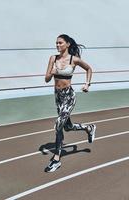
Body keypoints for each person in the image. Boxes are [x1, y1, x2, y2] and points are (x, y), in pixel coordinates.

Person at [44, 34, 96, 173]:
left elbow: (89, 69)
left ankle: (56, 159)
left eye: (60, 43)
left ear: (67, 44)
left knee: (58, 125)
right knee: (67, 127)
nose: (57, 45)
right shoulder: (53, 58)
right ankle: (88, 128)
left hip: (69, 96)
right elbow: (47, 79)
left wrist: (87, 84)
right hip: (58, 96)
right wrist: (52, 72)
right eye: (56, 43)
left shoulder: (74, 59)